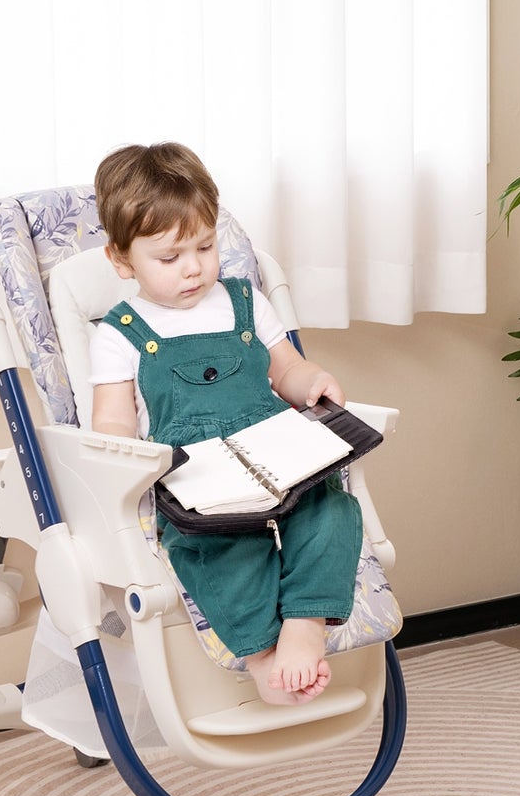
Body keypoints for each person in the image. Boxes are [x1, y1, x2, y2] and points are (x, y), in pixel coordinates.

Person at [89, 141, 363, 706]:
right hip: (198, 478)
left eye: (205, 246)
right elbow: (112, 422)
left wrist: (310, 380)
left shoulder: (246, 301)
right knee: (218, 552)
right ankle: (263, 657)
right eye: (169, 258)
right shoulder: (118, 333)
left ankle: (306, 625)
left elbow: (284, 367)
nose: (193, 268)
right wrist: (125, 464)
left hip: (275, 453)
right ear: (122, 260)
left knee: (333, 508)